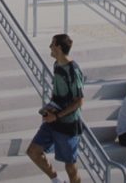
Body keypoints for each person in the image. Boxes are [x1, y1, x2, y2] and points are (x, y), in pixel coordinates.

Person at [27, 33, 84, 183]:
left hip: (68, 124)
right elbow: (57, 90)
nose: (50, 47)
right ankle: (57, 181)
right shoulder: (57, 65)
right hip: (53, 119)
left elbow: (79, 101)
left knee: (70, 168)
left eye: (52, 44)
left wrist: (57, 116)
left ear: (58, 47)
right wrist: (50, 107)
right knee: (33, 151)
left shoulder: (73, 70)